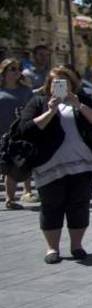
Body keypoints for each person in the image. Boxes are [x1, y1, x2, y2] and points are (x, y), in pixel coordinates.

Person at [18, 67, 92, 263]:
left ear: (72, 84)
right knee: (51, 206)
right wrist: (51, 111)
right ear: (49, 85)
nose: (60, 86)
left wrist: (78, 105)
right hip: (49, 166)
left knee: (79, 206)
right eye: (56, 82)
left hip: (82, 165)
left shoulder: (81, 99)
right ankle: (52, 249)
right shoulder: (39, 102)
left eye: (65, 82)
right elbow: (26, 129)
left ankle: (77, 245)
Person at [1, 58, 34, 209]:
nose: (16, 72)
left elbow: (34, 108)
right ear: (4, 72)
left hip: (21, 132)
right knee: (7, 166)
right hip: (2, 133)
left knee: (19, 164)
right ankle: (10, 198)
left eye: (18, 69)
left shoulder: (25, 91)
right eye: (12, 69)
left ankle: (20, 195)